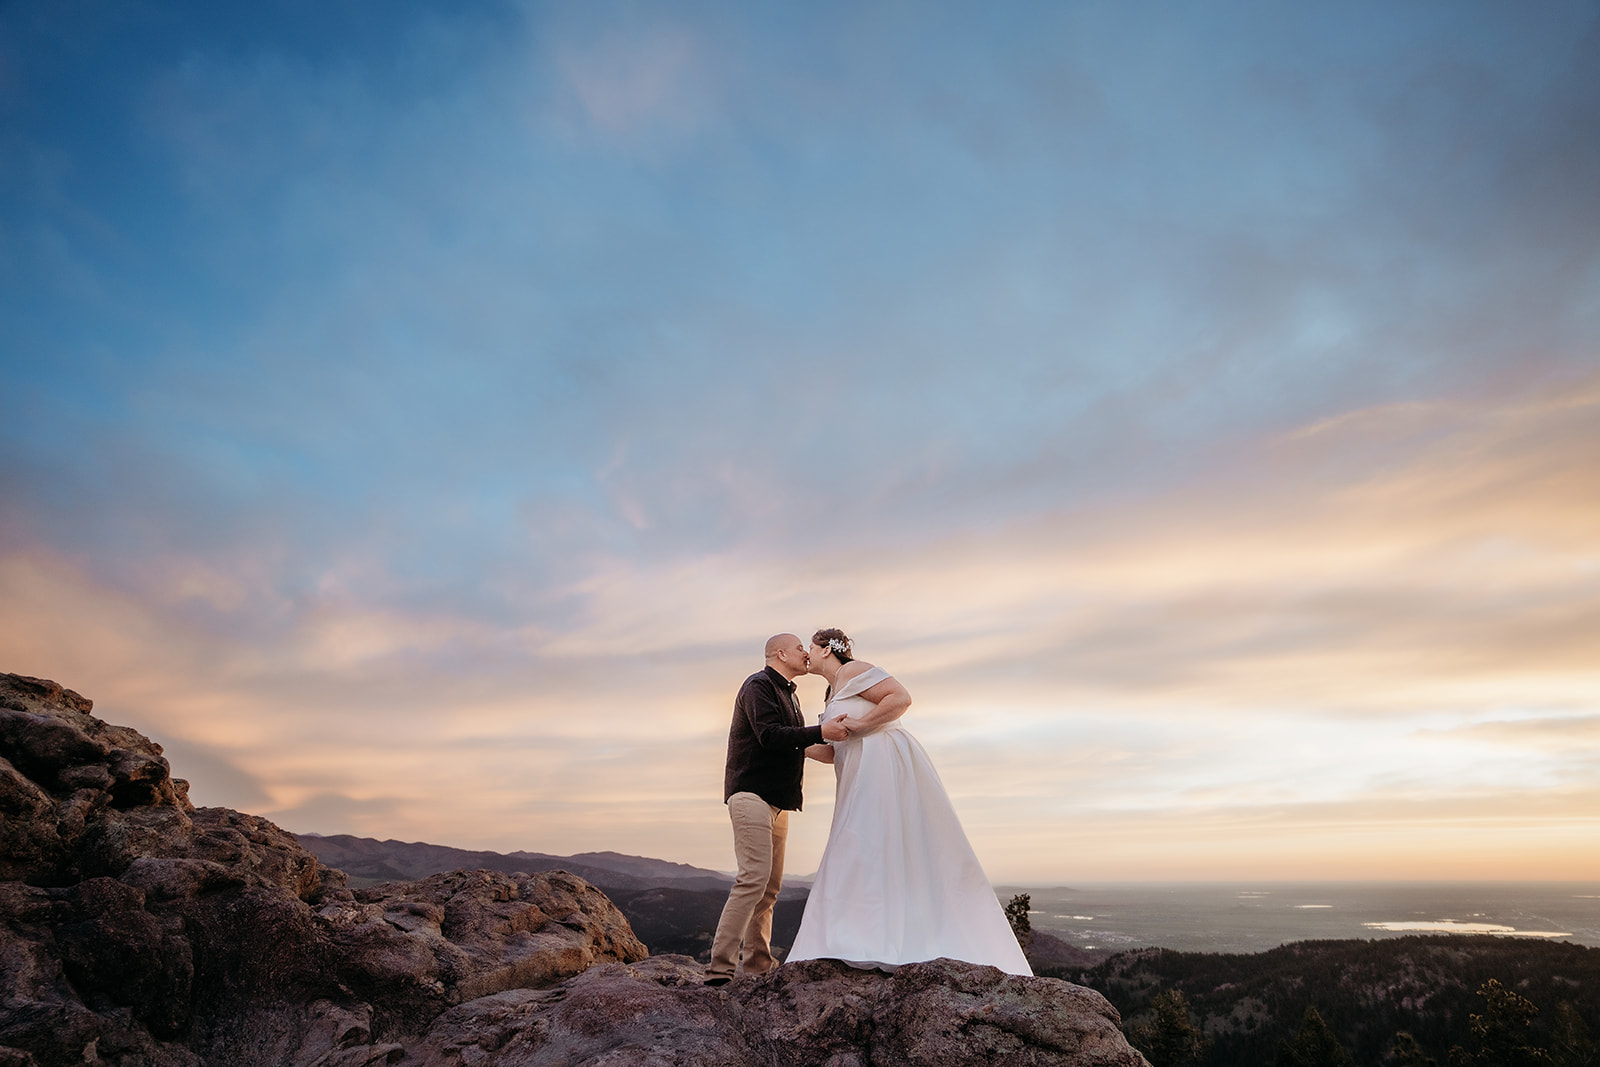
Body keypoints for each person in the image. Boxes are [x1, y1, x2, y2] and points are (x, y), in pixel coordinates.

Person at [786, 628, 1032, 975]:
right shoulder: (831, 692)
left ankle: (893, 938)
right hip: (858, 775)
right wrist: (793, 742)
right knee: (861, 845)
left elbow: (899, 698)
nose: (807, 652)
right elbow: (831, 751)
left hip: (883, 766)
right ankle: (855, 936)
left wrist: (859, 726)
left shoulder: (852, 672)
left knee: (873, 839)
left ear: (827, 649)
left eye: (810, 646)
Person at [705, 633, 849, 986]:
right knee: (752, 879)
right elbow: (770, 736)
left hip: (779, 801)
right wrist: (820, 731)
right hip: (752, 794)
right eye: (800, 647)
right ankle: (719, 971)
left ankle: (758, 965)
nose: (805, 653)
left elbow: (794, 741)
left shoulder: (788, 693)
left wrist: (840, 747)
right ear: (780, 654)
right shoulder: (758, 685)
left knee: (769, 888)